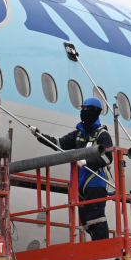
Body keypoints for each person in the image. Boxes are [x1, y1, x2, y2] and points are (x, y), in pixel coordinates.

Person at [35, 97, 114, 240]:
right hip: (79, 184)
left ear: (96, 112)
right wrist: (41, 136)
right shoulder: (78, 133)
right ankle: (97, 249)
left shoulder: (102, 135)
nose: (84, 112)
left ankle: (103, 249)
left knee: (96, 219)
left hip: (95, 183)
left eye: (87, 109)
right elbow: (60, 144)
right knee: (86, 222)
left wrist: (87, 162)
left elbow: (108, 158)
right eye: (83, 109)